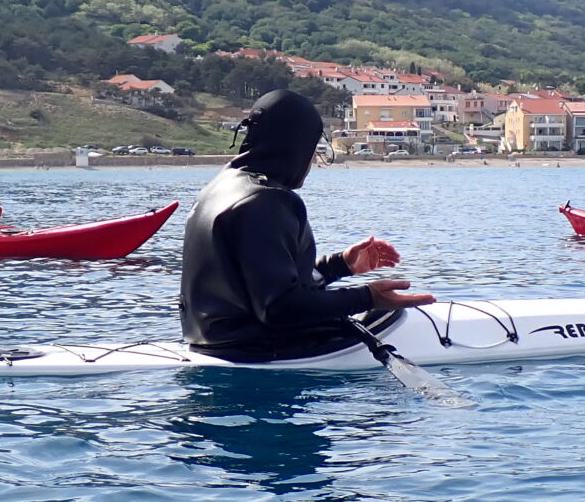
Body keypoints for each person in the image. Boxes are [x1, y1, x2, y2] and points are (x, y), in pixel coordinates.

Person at [180, 89, 433, 362]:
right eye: (313, 150)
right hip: (259, 351)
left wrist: (338, 266)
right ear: (298, 146)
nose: (312, 161)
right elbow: (280, 308)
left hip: (208, 343)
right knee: (391, 314)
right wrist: (367, 297)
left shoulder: (218, 188)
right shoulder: (267, 200)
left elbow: (258, 286)